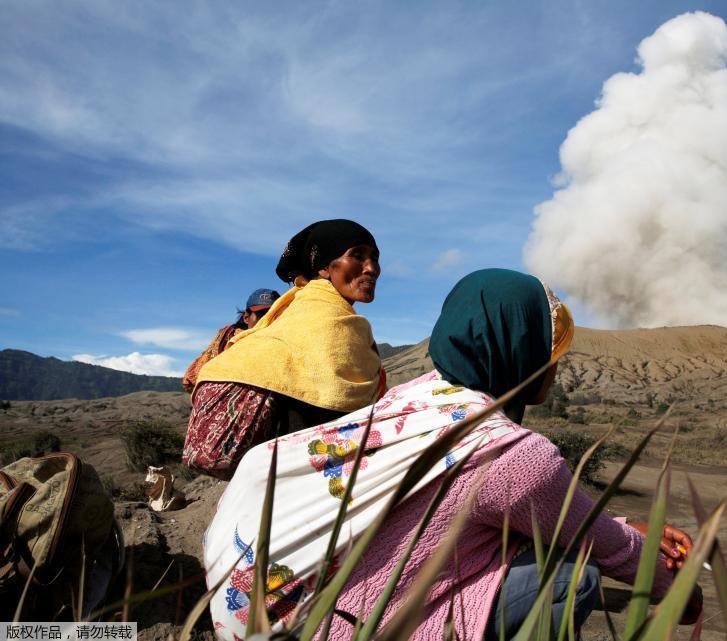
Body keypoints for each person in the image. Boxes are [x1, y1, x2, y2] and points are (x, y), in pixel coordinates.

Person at [203, 268, 700, 641]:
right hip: (332, 630)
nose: (555, 367)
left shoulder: (414, 398)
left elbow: (555, 514)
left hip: (257, 617)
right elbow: (607, 549)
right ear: (518, 348)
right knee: (572, 578)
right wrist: (681, 590)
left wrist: (623, 523)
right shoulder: (511, 452)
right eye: (549, 351)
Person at [183, 219, 385, 480]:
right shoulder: (328, 320)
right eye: (357, 256)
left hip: (268, 478)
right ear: (324, 267)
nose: (371, 268)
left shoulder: (298, 309)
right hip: (301, 480)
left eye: (374, 258)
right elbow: (340, 412)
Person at [181, 288, 280, 394]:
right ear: (246, 317)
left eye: (275, 316)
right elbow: (191, 379)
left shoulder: (281, 344)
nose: (268, 321)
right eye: (262, 316)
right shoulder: (229, 338)